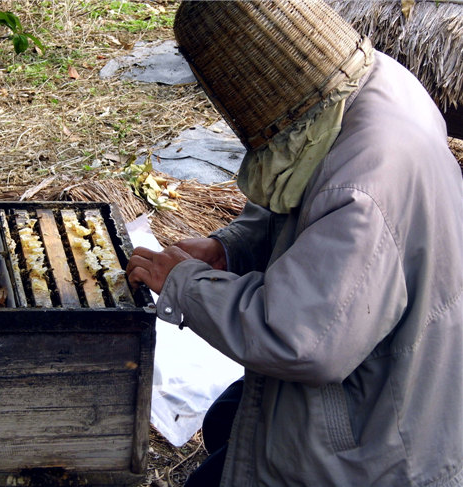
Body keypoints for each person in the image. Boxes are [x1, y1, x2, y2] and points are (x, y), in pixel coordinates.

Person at [126, 1, 463, 486]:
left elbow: (300, 340)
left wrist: (186, 284)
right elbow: (304, 211)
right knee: (226, 417)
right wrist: (230, 249)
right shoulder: (380, 80)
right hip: (389, 364)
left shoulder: (364, 186)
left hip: (383, 435)